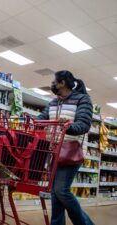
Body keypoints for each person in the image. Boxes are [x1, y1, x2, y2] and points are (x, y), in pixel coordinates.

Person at [37, 70, 95, 225]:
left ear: (62, 83)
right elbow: (42, 118)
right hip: (54, 151)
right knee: (55, 194)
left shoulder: (82, 99)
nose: (53, 85)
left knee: (61, 191)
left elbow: (83, 124)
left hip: (71, 151)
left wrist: (68, 127)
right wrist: (31, 121)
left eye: (54, 82)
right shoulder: (53, 102)